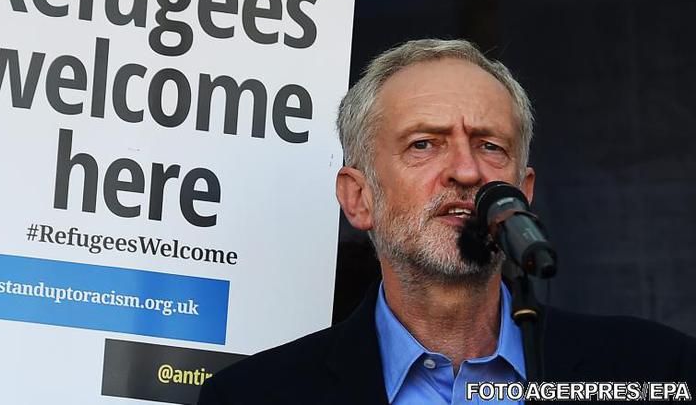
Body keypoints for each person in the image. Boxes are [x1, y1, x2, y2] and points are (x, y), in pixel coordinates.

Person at [198, 39, 696, 404]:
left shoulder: (656, 371)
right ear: (358, 197)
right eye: (423, 144)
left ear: (522, 195)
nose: (466, 170)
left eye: (489, 146)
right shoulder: (253, 397)